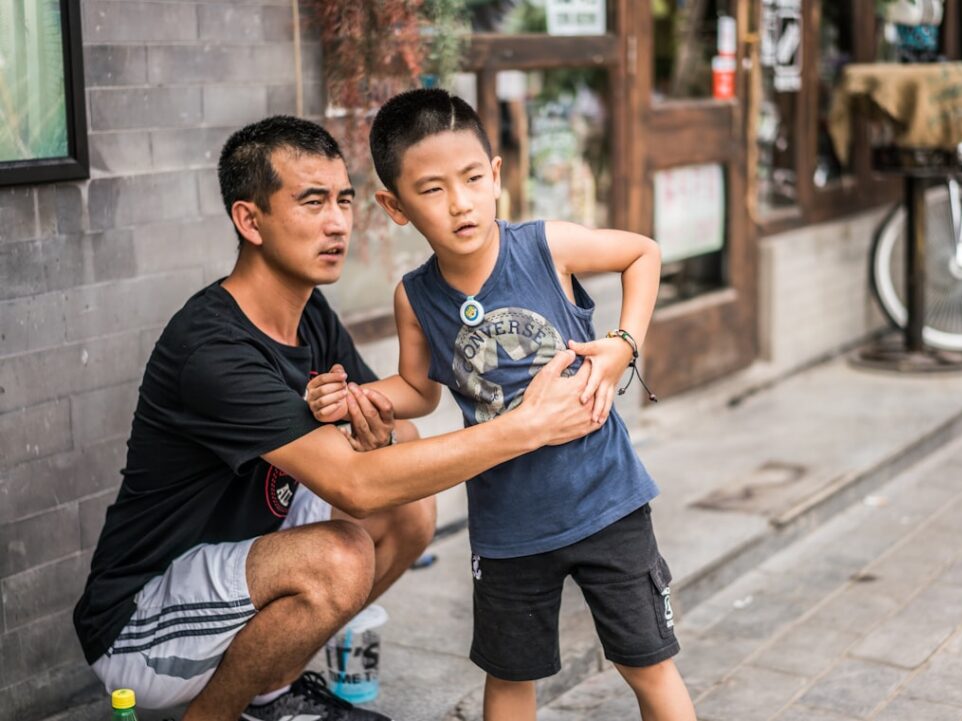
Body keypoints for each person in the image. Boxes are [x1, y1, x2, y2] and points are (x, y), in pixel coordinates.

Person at [72, 115, 604, 721]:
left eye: (344, 201)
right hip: (141, 622)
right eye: (312, 202)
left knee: (408, 511)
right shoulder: (211, 348)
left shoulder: (309, 313)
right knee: (342, 556)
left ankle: (269, 692)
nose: (337, 223)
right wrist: (521, 428)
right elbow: (354, 483)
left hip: (240, 562)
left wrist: (373, 433)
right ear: (250, 220)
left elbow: (397, 431)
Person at [305, 89, 697, 721]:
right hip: (509, 527)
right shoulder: (415, 298)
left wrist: (624, 344)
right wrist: (358, 395)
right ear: (395, 206)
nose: (459, 203)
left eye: (470, 179)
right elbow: (419, 391)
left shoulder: (547, 247)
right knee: (510, 678)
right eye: (431, 189)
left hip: (607, 502)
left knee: (645, 663)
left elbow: (642, 253)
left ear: (495, 176)